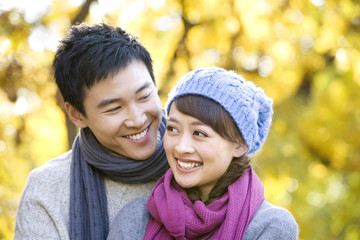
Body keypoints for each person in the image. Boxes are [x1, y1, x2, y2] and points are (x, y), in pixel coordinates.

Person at [14, 23, 169, 240]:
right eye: (115, 108)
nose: (138, 119)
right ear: (77, 114)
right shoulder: (48, 191)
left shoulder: (200, 156)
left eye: (144, 97)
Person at [107, 67, 299, 239]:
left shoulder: (269, 225)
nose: (181, 147)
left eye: (199, 133)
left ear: (240, 145)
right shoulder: (137, 217)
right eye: (173, 129)